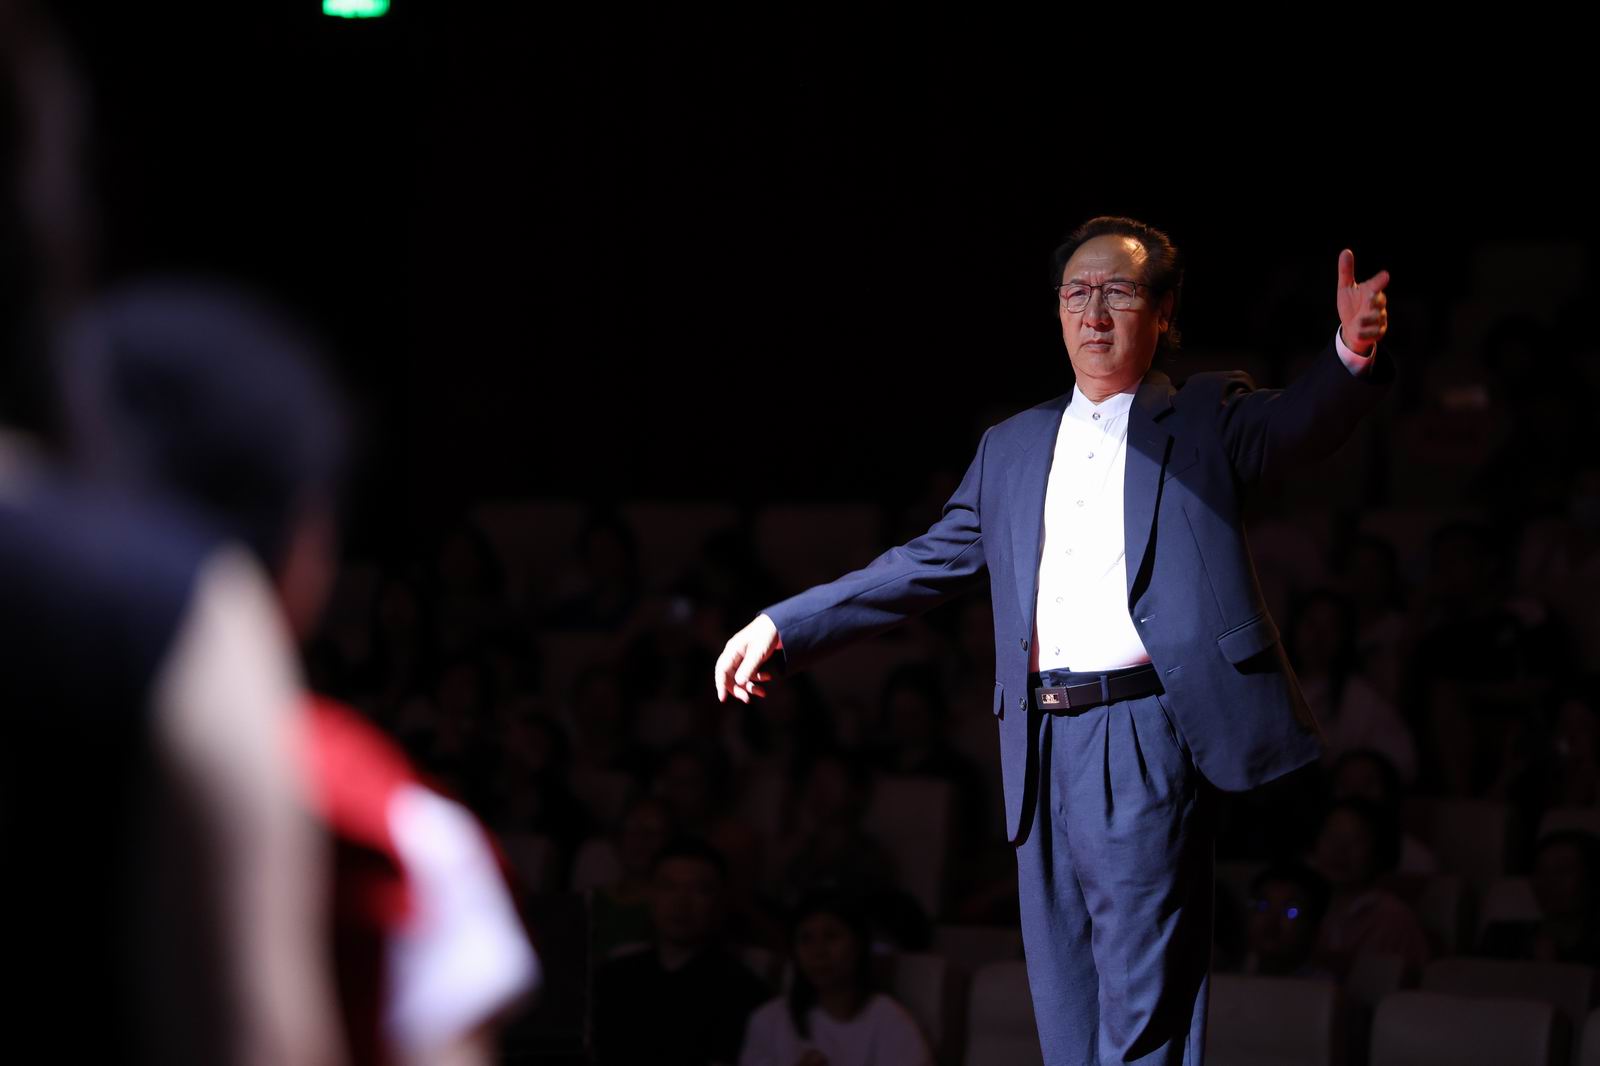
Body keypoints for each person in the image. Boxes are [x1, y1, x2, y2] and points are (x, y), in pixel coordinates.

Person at [714, 216, 1393, 1064]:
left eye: (1119, 292)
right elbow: (923, 564)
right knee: (1066, 1007)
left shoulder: (1204, 415)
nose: (1094, 312)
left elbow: (1296, 426)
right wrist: (783, 623)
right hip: (1037, 741)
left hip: (1140, 731)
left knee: (1141, 1005)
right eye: (1078, 292)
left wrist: (1349, 351)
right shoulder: (1012, 445)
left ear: (1164, 311)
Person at [738, 889, 933, 1066]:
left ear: (858, 945)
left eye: (831, 936)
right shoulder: (769, 1021)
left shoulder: (891, 1022)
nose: (818, 952)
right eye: (806, 939)